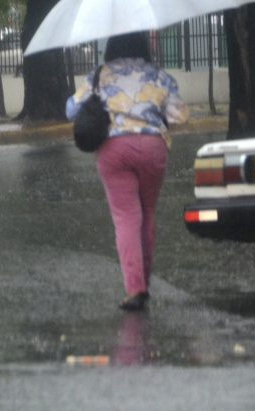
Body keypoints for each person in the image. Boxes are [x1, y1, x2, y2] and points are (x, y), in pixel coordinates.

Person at [66, 31, 189, 311]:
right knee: (147, 215)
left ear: (110, 46)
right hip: (152, 146)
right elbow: (180, 115)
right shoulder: (158, 75)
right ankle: (144, 281)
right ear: (144, 46)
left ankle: (135, 288)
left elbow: (72, 110)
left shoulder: (100, 75)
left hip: (114, 149)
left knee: (126, 219)